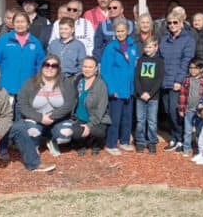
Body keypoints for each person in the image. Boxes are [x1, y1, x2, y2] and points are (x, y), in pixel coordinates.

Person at [0, 11, 46, 160]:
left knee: (21, 121)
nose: (20, 24)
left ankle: (21, 148)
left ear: (28, 24)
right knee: (5, 119)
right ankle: (2, 147)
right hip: (6, 88)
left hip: (26, 89)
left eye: (23, 21)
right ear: (13, 24)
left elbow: (40, 64)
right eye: (17, 21)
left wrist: (37, 83)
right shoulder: (4, 40)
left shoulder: (35, 42)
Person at [10, 54, 75, 169]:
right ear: (42, 66)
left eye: (54, 66)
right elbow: (22, 104)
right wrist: (40, 117)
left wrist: (53, 116)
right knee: (31, 132)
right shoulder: (31, 82)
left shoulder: (65, 82)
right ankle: (33, 146)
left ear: (58, 68)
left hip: (57, 119)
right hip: (35, 118)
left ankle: (52, 140)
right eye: (47, 64)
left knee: (66, 134)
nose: (50, 68)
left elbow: (70, 103)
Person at [100, 19, 139, 155]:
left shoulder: (133, 46)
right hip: (116, 89)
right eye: (118, 31)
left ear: (127, 31)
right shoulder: (111, 47)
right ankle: (111, 144)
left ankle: (124, 141)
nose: (120, 33)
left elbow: (135, 66)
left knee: (127, 118)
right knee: (115, 119)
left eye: (123, 31)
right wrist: (111, 89)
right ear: (114, 32)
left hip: (129, 89)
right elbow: (105, 71)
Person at [159, 11, 196, 152]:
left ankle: (181, 139)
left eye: (175, 22)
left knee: (176, 112)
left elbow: (186, 61)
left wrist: (179, 80)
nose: (172, 25)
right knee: (168, 112)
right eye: (169, 23)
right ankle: (174, 138)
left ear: (181, 23)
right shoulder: (164, 39)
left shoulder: (188, 39)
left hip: (177, 82)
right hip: (165, 81)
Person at [70, 57, 110, 156]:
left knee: (98, 132)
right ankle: (81, 144)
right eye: (85, 66)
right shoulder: (76, 81)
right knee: (73, 132)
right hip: (79, 118)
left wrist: (89, 125)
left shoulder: (101, 84)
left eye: (90, 67)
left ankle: (96, 143)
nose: (87, 69)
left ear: (96, 69)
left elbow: (101, 109)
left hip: (95, 118)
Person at [134, 36, 164, 154]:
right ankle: (140, 141)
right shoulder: (141, 60)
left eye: (150, 47)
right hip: (140, 97)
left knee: (152, 121)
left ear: (156, 47)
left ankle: (152, 142)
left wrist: (150, 94)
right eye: (146, 47)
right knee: (140, 120)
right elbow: (136, 78)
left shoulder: (159, 61)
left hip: (153, 97)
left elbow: (159, 80)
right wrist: (141, 92)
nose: (147, 49)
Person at [178, 58, 203, 157]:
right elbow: (182, 95)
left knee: (199, 131)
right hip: (188, 109)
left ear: (202, 69)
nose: (192, 70)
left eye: (195, 68)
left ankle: (199, 149)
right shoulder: (187, 79)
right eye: (190, 68)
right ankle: (186, 148)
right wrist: (181, 109)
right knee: (187, 131)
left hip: (200, 111)